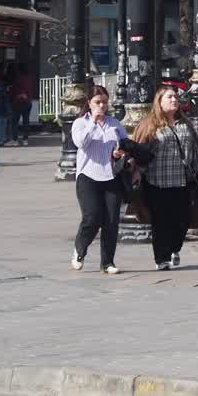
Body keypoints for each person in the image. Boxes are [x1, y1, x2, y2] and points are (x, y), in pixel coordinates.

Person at [132, 87, 198, 271]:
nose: (174, 99)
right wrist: (137, 171)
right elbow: (143, 153)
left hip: (183, 181)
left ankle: (175, 248)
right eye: (169, 97)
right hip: (157, 182)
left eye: (175, 96)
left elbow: (195, 152)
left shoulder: (185, 124)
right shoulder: (150, 125)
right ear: (159, 102)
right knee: (160, 222)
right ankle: (162, 258)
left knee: (183, 220)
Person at [71, 86, 127, 275]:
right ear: (89, 103)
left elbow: (125, 143)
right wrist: (93, 122)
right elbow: (81, 143)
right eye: (97, 102)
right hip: (88, 177)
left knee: (111, 221)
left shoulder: (114, 123)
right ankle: (80, 249)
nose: (101, 106)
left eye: (104, 102)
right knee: (92, 217)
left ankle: (107, 262)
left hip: (110, 176)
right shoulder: (80, 123)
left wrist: (119, 152)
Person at [11, 65, 32, 147]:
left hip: (18, 101)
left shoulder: (18, 79)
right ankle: (25, 139)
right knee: (26, 121)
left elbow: (14, 90)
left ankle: (15, 139)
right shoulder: (29, 79)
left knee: (15, 122)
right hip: (27, 101)